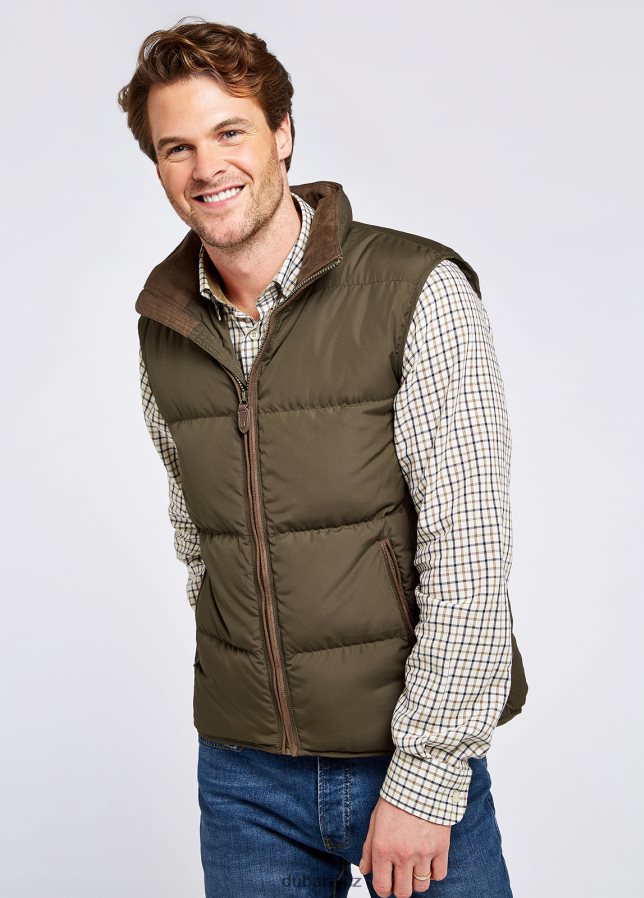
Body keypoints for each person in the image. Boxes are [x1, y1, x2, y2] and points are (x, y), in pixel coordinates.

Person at [118, 19, 528, 898]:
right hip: (243, 777)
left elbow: (470, 550)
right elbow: (200, 544)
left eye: (230, 132)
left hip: (402, 754)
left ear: (282, 134)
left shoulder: (415, 290)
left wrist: (427, 774)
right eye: (176, 147)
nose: (206, 167)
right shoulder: (164, 326)